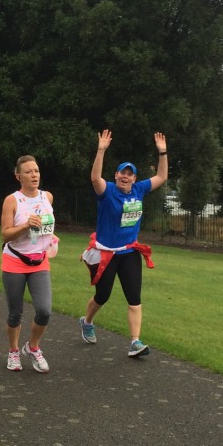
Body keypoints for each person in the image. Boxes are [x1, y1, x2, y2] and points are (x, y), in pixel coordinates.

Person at [78, 129, 168, 358]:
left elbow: (161, 177)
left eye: (130, 174)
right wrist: (101, 150)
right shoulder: (107, 191)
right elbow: (94, 178)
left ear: (135, 179)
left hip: (129, 252)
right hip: (106, 253)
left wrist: (162, 153)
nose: (125, 177)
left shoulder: (139, 189)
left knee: (134, 297)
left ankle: (135, 342)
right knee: (103, 295)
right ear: (116, 175)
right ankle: (87, 321)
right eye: (122, 173)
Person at [1, 155, 57, 373]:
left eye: (36, 170)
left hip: (39, 261)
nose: (34, 175)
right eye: (28, 172)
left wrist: (52, 238)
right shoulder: (12, 200)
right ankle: (13, 351)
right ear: (18, 177)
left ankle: (33, 347)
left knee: (44, 311)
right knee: (15, 313)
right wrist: (25, 226)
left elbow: (47, 226)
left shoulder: (47, 197)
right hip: (15, 261)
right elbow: (5, 235)